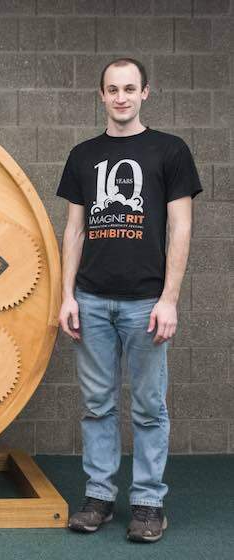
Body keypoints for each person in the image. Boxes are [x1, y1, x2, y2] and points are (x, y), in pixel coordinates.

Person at [56, 57, 201, 542]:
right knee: (96, 405)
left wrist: (170, 299)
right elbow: (74, 231)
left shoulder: (170, 151)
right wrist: (66, 296)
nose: (121, 97)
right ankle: (98, 497)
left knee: (148, 408)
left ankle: (146, 505)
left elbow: (181, 227)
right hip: (91, 301)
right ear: (101, 95)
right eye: (112, 89)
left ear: (146, 93)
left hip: (145, 304)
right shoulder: (82, 155)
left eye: (130, 88)